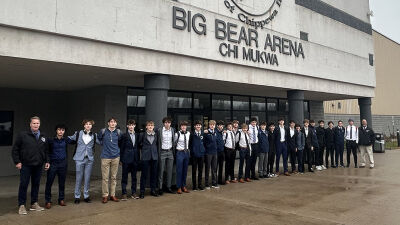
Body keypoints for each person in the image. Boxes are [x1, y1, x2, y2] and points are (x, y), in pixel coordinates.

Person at [12, 116, 50, 215]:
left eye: (37, 123)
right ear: (30, 124)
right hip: (26, 165)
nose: (36, 125)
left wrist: (47, 161)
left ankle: (34, 203)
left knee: (36, 184)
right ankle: (21, 205)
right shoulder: (23, 135)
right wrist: (17, 162)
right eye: (34, 123)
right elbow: (15, 149)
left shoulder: (43, 136)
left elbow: (46, 151)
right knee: (24, 184)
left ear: (39, 124)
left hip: (38, 165)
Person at [69, 119, 97, 204]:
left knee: (87, 178)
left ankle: (86, 196)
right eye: (86, 124)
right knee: (78, 178)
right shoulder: (78, 133)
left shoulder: (94, 135)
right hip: (79, 159)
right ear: (84, 125)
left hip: (89, 159)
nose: (88, 125)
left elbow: (102, 141)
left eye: (90, 124)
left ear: (92, 126)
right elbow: (69, 139)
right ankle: (77, 196)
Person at [45, 124, 73, 209]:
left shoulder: (66, 140)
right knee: (49, 183)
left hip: (63, 164)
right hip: (53, 164)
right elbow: (47, 152)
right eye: (59, 130)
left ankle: (61, 199)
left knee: (62, 183)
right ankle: (48, 201)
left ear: (64, 131)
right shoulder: (51, 140)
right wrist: (47, 162)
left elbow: (77, 141)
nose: (61, 131)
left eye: (63, 130)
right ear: (56, 130)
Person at [98, 117, 122, 203]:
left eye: (114, 122)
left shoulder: (119, 132)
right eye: (111, 122)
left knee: (114, 177)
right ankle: (105, 195)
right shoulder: (103, 131)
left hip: (115, 157)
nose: (112, 123)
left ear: (116, 124)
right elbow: (98, 139)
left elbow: (120, 142)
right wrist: (103, 144)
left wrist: (118, 151)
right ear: (108, 123)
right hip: (105, 157)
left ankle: (112, 195)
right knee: (105, 178)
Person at [138, 120, 159, 198]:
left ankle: (153, 190)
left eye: (152, 125)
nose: (150, 127)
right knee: (144, 175)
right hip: (145, 157)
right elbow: (139, 144)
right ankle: (142, 192)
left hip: (154, 157)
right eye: (149, 125)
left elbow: (157, 144)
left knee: (154, 174)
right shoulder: (142, 135)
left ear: (153, 127)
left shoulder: (156, 135)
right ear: (146, 126)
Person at [120, 120, 139, 200]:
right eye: (130, 125)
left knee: (134, 177)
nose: (131, 126)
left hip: (135, 159)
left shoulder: (137, 135)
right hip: (126, 159)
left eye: (133, 125)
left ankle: (133, 193)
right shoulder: (124, 135)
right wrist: (121, 159)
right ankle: (124, 193)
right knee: (124, 177)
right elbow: (121, 148)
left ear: (134, 126)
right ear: (127, 126)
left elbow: (137, 147)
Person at [157, 117, 176, 195]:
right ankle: (160, 188)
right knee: (161, 171)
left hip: (170, 152)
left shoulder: (173, 130)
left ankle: (168, 187)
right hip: (162, 152)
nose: (167, 124)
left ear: (170, 123)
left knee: (169, 171)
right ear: (163, 123)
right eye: (165, 122)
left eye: (168, 122)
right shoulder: (159, 130)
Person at [175, 121, 191, 194]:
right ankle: (178, 187)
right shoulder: (177, 134)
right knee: (179, 171)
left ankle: (183, 186)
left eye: (185, 126)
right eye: (182, 126)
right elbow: (174, 143)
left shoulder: (188, 133)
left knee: (185, 170)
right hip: (180, 152)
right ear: (180, 127)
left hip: (186, 153)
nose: (184, 127)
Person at [189, 120, 206, 191]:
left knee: (200, 170)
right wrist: (192, 151)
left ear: (201, 126)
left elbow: (205, 143)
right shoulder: (192, 134)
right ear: (195, 126)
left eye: (199, 125)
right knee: (194, 171)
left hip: (201, 155)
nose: (198, 126)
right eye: (197, 125)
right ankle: (194, 185)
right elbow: (189, 144)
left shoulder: (203, 134)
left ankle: (200, 184)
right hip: (194, 155)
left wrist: (203, 150)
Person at [204, 120, 219, 189]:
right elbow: (204, 142)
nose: (212, 126)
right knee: (207, 169)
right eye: (211, 125)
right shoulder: (206, 132)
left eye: (213, 125)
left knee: (214, 168)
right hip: (208, 153)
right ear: (209, 125)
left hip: (215, 153)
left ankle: (214, 183)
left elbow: (217, 141)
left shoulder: (216, 132)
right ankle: (206, 184)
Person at [216, 121, 226, 185]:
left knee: (221, 167)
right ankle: (215, 181)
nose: (221, 126)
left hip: (222, 152)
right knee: (215, 167)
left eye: (222, 126)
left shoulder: (223, 132)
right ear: (217, 126)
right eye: (219, 125)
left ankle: (220, 180)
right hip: (216, 152)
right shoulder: (215, 132)